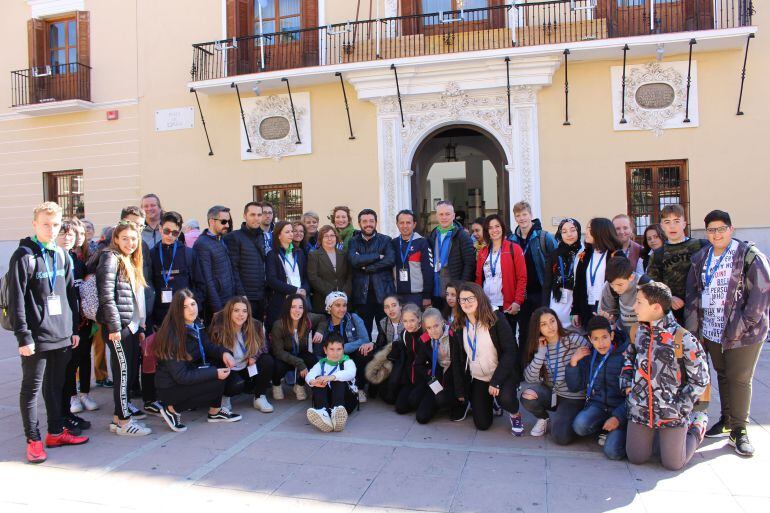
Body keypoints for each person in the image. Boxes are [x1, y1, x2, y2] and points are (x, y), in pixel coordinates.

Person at [8, 202, 88, 463]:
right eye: (46, 224)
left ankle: (56, 432)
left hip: (62, 333)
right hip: (36, 336)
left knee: (56, 385)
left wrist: (74, 327)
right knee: (31, 389)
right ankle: (33, 439)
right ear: (35, 224)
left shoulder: (62, 255)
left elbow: (69, 294)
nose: (52, 230)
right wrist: (24, 336)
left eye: (56, 225)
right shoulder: (23, 255)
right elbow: (16, 300)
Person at [686, 210, 770, 457]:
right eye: (711, 230)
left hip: (744, 333)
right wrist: (695, 330)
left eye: (721, 228)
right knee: (722, 374)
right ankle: (726, 419)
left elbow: (761, 294)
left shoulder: (749, 255)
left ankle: (740, 430)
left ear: (731, 229)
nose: (716, 234)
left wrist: (742, 325)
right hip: (712, 331)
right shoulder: (701, 257)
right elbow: (692, 293)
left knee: (739, 378)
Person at [622, 280, 710, 470]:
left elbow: (701, 378)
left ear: (655, 307)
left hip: (672, 412)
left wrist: (681, 406)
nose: (633, 306)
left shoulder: (682, 338)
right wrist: (628, 387)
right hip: (640, 410)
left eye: (639, 302)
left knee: (673, 463)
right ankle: (657, 438)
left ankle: (696, 426)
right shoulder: (638, 331)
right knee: (636, 457)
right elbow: (629, 358)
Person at [154, 289, 242, 432]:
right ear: (177, 310)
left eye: (193, 304)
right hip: (171, 387)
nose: (191, 309)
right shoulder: (172, 335)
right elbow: (181, 376)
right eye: (184, 307)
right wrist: (214, 373)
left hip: (190, 372)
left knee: (225, 372)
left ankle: (215, 412)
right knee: (217, 378)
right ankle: (172, 409)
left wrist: (224, 353)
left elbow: (207, 346)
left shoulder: (195, 324)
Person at [96, 220, 151, 436]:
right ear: (116, 239)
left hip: (130, 325)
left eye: (134, 238)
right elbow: (106, 296)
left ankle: (119, 417)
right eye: (125, 238)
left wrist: (140, 322)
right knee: (122, 373)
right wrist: (114, 326)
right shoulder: (110, 258)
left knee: (125, 373)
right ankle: (124, 423)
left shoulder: (128, 259)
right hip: (118, 327)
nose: (130, 242)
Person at [450, 283, 523, 434]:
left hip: (501, 375)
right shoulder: (458, 325)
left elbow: (510, 352)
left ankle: (515, 413)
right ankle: (491, 403)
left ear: (480, 298)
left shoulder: (496, 319)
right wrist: (460, 390)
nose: (466, 303)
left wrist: (496, 381)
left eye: (470, 298)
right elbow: (456, 360)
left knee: (506, 399)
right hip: (479, 377)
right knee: (482, 424)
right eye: (462, 300)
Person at [521, 307, 589, 442]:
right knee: (527, 395)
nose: (550, 327)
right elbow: (529, 378)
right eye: (543, 324)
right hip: (552, 393)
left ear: (557, 321)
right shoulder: (539, 345)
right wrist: (540, 353)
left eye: (552, 321)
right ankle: (543, 418)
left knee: (560, 437)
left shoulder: (574, 339)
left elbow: (594, 358)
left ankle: (574, 417)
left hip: (573, 396)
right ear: (538, 328)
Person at [566, 316, 629, 460]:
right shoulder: (589, 355)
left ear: (612, 335)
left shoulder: (626, 354)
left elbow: (634, 395)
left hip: (621, 408)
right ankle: (605, 429)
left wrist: (618, 417)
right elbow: (574, 386)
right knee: (579, 426)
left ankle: (619, 431)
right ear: (589, 339)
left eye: (605, 337)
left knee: (612, 452)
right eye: (595, 339)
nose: (601, 343)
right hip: (598, 405)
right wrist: (573, 362)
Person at [58, 220, 98, 431]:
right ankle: (67, 406)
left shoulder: (77, 259)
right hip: (62, 325)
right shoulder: (55, 258)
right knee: (67, 366)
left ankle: (81, 396)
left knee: (82, 358)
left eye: (77, 234)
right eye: (68, 234)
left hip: (81, 321)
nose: (74, 237)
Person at [509, 201, 557, 363]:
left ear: (530, 215)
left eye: (524, 214)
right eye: (518, 216)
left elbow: (556, 263)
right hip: (522, 294)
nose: (521, 218)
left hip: (540, 292)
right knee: (523, 332)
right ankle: (525, 367)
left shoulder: (544, 237)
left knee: (542, 330)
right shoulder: (512, 240)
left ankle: (545, 367)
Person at [209, 297, 275, 413]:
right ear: (229, 311)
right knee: (235, 385)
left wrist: (254, 356)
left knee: (267, 360)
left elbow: (264, 346)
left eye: (244, 311)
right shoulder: (219, 327)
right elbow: (213, 351)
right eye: (236, 310)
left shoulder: (255, 325)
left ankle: (259, 397)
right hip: (229, 368)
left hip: (247, 366)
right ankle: (224, 397)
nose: (241, 315)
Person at [647, 204, 707, 324]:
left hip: (701, 310)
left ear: (684, 224)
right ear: (662, 226)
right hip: (674, 314)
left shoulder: (701, 246)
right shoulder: (658, 254)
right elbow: (652, 286)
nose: (672, 226)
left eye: (676, 221)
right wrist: (669, 298)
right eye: (667, 222)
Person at [475, 214, 527, 343]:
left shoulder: (514, 248)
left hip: (508, 306)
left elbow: (522, 277)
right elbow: (478, 279)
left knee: (509, 342)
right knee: (492, 342)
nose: (494, 230)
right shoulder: (483, 252)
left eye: (497, 226)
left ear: (502, 228)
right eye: (490, 228)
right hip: (487, 305)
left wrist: (517, 301)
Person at [347, 209, 396, 338]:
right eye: (364, 221)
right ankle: (367, 358)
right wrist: (378, 256)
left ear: (376, 222)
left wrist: (368, 267)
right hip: (362, 296)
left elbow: (390, 260)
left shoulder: (385, 240)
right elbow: (354, 261)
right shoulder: (353, 241)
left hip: (383, 294)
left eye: (371, 221)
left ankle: (385, 358)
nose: (368, 224)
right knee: (364, 334)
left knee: (385, 333)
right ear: (359, 223)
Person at [315, 291, 370, 402]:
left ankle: (359, 388)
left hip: (352, 357)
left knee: (364, 352)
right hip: (333, 361)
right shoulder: (324, 325)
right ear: (329, 308)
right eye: (337, 305)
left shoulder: (353, 318)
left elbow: (365, 340)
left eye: (344, 305)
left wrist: (342, 349)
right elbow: (319, 352)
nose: (342, 309)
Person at [193, 205, 241, 325]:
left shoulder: (220, 239)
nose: (227, 225)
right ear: (211, 221)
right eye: (223, 221)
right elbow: (207, 279)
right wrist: (217, 308)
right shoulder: (202, 244)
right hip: (217, 306)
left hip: (229, 301)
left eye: (228, 221)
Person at [572, 217, 622, 329]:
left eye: (590, 229)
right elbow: (578, 284)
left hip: (607, 309)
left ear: (600, 232)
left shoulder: (616, 255)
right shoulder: (585, 254)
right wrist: (576, 311)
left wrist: (614, 312)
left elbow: (621, 285)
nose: (586, 232)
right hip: (587, 306)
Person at [414, 308, 463, 423]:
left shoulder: (454, 335)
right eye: (429, 328)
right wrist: (430, 374)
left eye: (436, 326)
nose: (433, 331)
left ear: (442, 322)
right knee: (421, 417)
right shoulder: (425, 340)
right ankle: (441, 402)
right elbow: (418, 365)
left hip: (455, 377)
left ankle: (461, 403)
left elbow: (460, 366)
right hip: (438, 378)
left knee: (442, 399)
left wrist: (461, 392)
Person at [270, 294, 321, 401]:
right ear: (287, 308)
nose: (297, 310)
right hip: (284, 354)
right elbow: (278, 352)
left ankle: (299, 385)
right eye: (293, 307)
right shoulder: (279, 325)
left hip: (300, 352)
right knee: (277, 366)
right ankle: (276, 384)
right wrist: (299, 363)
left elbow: (324, 319)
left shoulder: (307, 319)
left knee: (312, 360)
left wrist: (320, 332)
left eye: (300, 307)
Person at [150, 211, 195, 326]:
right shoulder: (152, 254)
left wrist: (193, 308)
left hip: (184, 313)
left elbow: (198, 284)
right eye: (166, 231)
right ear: (160, 229)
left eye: (175, 232)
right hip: (161, 317)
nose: (170, 235)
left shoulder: (188, 253)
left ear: (179, 232)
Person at [305, 333, 358, 432]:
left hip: (346, 402)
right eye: (332, 349)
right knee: (318, 380)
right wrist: (313, 381)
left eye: (339, 349)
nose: (336, 353)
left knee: (337, 379)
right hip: (328, 401)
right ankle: (323, 413)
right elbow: (309, 375)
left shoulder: (347, 361)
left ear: (343, 350)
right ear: (325, 350)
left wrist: (332, 377)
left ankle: (337, 413)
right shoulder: (321, 363)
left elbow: (351, 373)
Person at [225, 202, 267, 321]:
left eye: (259, 215)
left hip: (261, 296)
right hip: (245, 297)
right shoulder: (233, 237)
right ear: (245, 216)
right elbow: (233, 268)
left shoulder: (262, 236)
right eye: (252, 214)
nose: (256, 218)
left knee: (258, 331)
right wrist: (241, 295)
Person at [428, 201, 475, 308]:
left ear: (453, 215)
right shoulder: (433, 234)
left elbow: (470, 264)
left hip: (455, 291)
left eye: (447, 214)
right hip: (436, 290)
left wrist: (461, 288)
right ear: (436, 216)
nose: (444, 217)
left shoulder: (462, 235)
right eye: (441, 214)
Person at [265, 221, 309, 329]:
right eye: (287, 232)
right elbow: (271, 280)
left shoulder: (299, 252)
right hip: (281, 302)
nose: (291, 234)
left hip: (300, 300)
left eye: (291, 231)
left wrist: (304, 289)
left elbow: (305, 277)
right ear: (279, 235)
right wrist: (294, 290)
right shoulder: (272, 254)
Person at [542, 218, 583, 328]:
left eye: (573, 230)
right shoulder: (554, 255)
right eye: (564, 232)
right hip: (557, 300)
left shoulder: (584, 253)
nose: (569, 234)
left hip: (576, 300)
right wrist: (544, 309)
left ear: (578, 231)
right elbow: (547, 283)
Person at [392, 209, 433, 308]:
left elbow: (428, 270)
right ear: (397, 224)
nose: (405, 226)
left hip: (417, 295)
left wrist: (427, 296)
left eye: (408, 223)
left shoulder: (422, 242)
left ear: (414, 224)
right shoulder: (393, 243)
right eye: (401, 223)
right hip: (397, 294)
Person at [307, 225, 352, 314]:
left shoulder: (344, 254)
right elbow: (313, 277)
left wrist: (345, 292)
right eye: (326, 236)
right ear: (321, 239)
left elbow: (350, 275)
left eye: (332, 235)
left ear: (336, 237)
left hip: (343, 300)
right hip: (323, 300)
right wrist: (331, 293)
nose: (329, 239)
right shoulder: (314, 255)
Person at [600, 256, 648, 334]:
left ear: (631, 277)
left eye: (620, 284)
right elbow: (610, 313)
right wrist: (609, 319)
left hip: (645, 335)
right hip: (623, 333)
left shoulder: (645, 284)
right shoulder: (609, 286)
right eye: (612, 285)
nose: (615, 289)